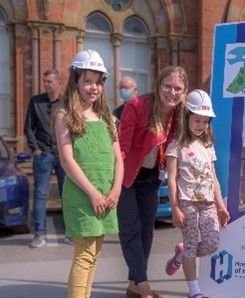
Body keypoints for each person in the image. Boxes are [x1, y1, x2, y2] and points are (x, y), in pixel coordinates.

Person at [54, 49, 123, 298]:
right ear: (76, 82)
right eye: (87, 81)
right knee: (84, 255)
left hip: (106, 196)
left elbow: (118, 158)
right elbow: (66, 159)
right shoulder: (65, 116)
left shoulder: (108, 119)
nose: (93, 87)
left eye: (97, 82)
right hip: (83, 196)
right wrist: (93, 193)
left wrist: (115, 190)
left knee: (95, 254)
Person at [118, 66, 189, 298]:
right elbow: (123, 147)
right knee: (131, 229)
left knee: (147, 231)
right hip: (127, 175)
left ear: (184, 91)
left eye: (178, 88)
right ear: (158, 85)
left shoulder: (179, 114)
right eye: (167, 86)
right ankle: (144, 287)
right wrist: (116, 182)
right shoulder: (137, 106)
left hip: (150, 176)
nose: (172, 92)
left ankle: (133, 286)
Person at [164, 89, 230, 298]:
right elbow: (172, 179)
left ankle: (181, 254)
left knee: (211, 243)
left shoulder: (208, 145)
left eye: (205, 121)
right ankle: (194, 291)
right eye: (197, 120)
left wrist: (220, 206)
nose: (201, 126)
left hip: (209, 203)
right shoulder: (176, 145)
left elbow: (214, 179)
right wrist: (175, 208)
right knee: (192, 246)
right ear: (187, 118)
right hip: (187, 203)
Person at [24, 69, 70, 248]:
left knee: (67, 194)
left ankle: (70, 233)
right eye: (45, 81)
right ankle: (39, 234)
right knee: (40, 194)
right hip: (43, 154)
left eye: (49, 81)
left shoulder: (67, 102)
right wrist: (35, 149)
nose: (46, 84)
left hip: (64, 154)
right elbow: (28, 128)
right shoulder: (36, 102)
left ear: (59, 82)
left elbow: (75, 126)